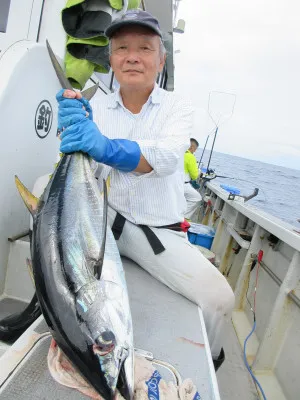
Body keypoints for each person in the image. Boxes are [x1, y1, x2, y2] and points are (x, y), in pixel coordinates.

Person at [56, 9, 234, 370]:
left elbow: (167, 158)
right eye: (122, 48)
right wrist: (71, 132)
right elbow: (86, 170)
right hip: (102, 223)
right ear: (110, 58)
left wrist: (104, 145)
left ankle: (207, 366)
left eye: (144, 48)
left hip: (157, 232)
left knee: (220, 300)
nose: (132, 56)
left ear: (161, 58)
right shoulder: (96, 106)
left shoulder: (177, 107)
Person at [184, 138, 202, 220]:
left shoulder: (180, 154)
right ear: (192, 147)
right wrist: (198, 171)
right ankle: (183, 218)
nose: (194, 151)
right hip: (183, 184)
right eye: (195, 149)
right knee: (197, 198)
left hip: (173, 183)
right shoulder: (190, 156)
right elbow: (194, 176)